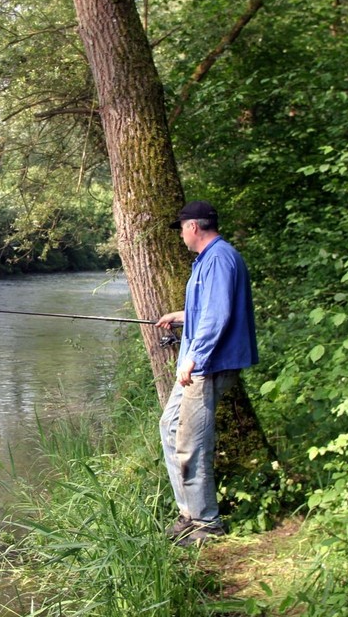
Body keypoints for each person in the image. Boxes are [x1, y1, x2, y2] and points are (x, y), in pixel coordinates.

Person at [155, 200, 258, 547]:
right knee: (169, 425)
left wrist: (193, 359)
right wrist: (179, 315)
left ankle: (207, 523)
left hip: (207, 364)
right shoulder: (211, 259)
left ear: (193, 227)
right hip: (200, 362)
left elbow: (217, 316)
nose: (182, 235)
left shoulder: (218, 258)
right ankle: (188, 512)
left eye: (182, 228)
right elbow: (206, 309)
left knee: (191, 443)